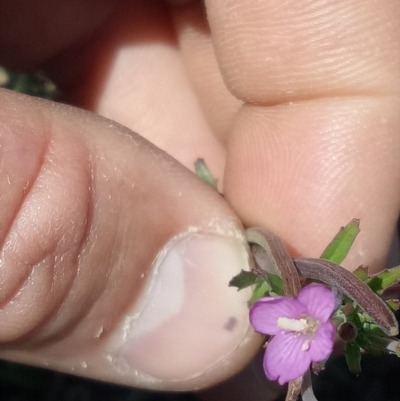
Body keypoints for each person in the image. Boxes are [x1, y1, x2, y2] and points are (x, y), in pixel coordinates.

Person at [0, 0, 398, 400]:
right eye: (312, 323)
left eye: (312, 323)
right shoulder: (310, 304)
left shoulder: (310, 310)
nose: (309, 324)